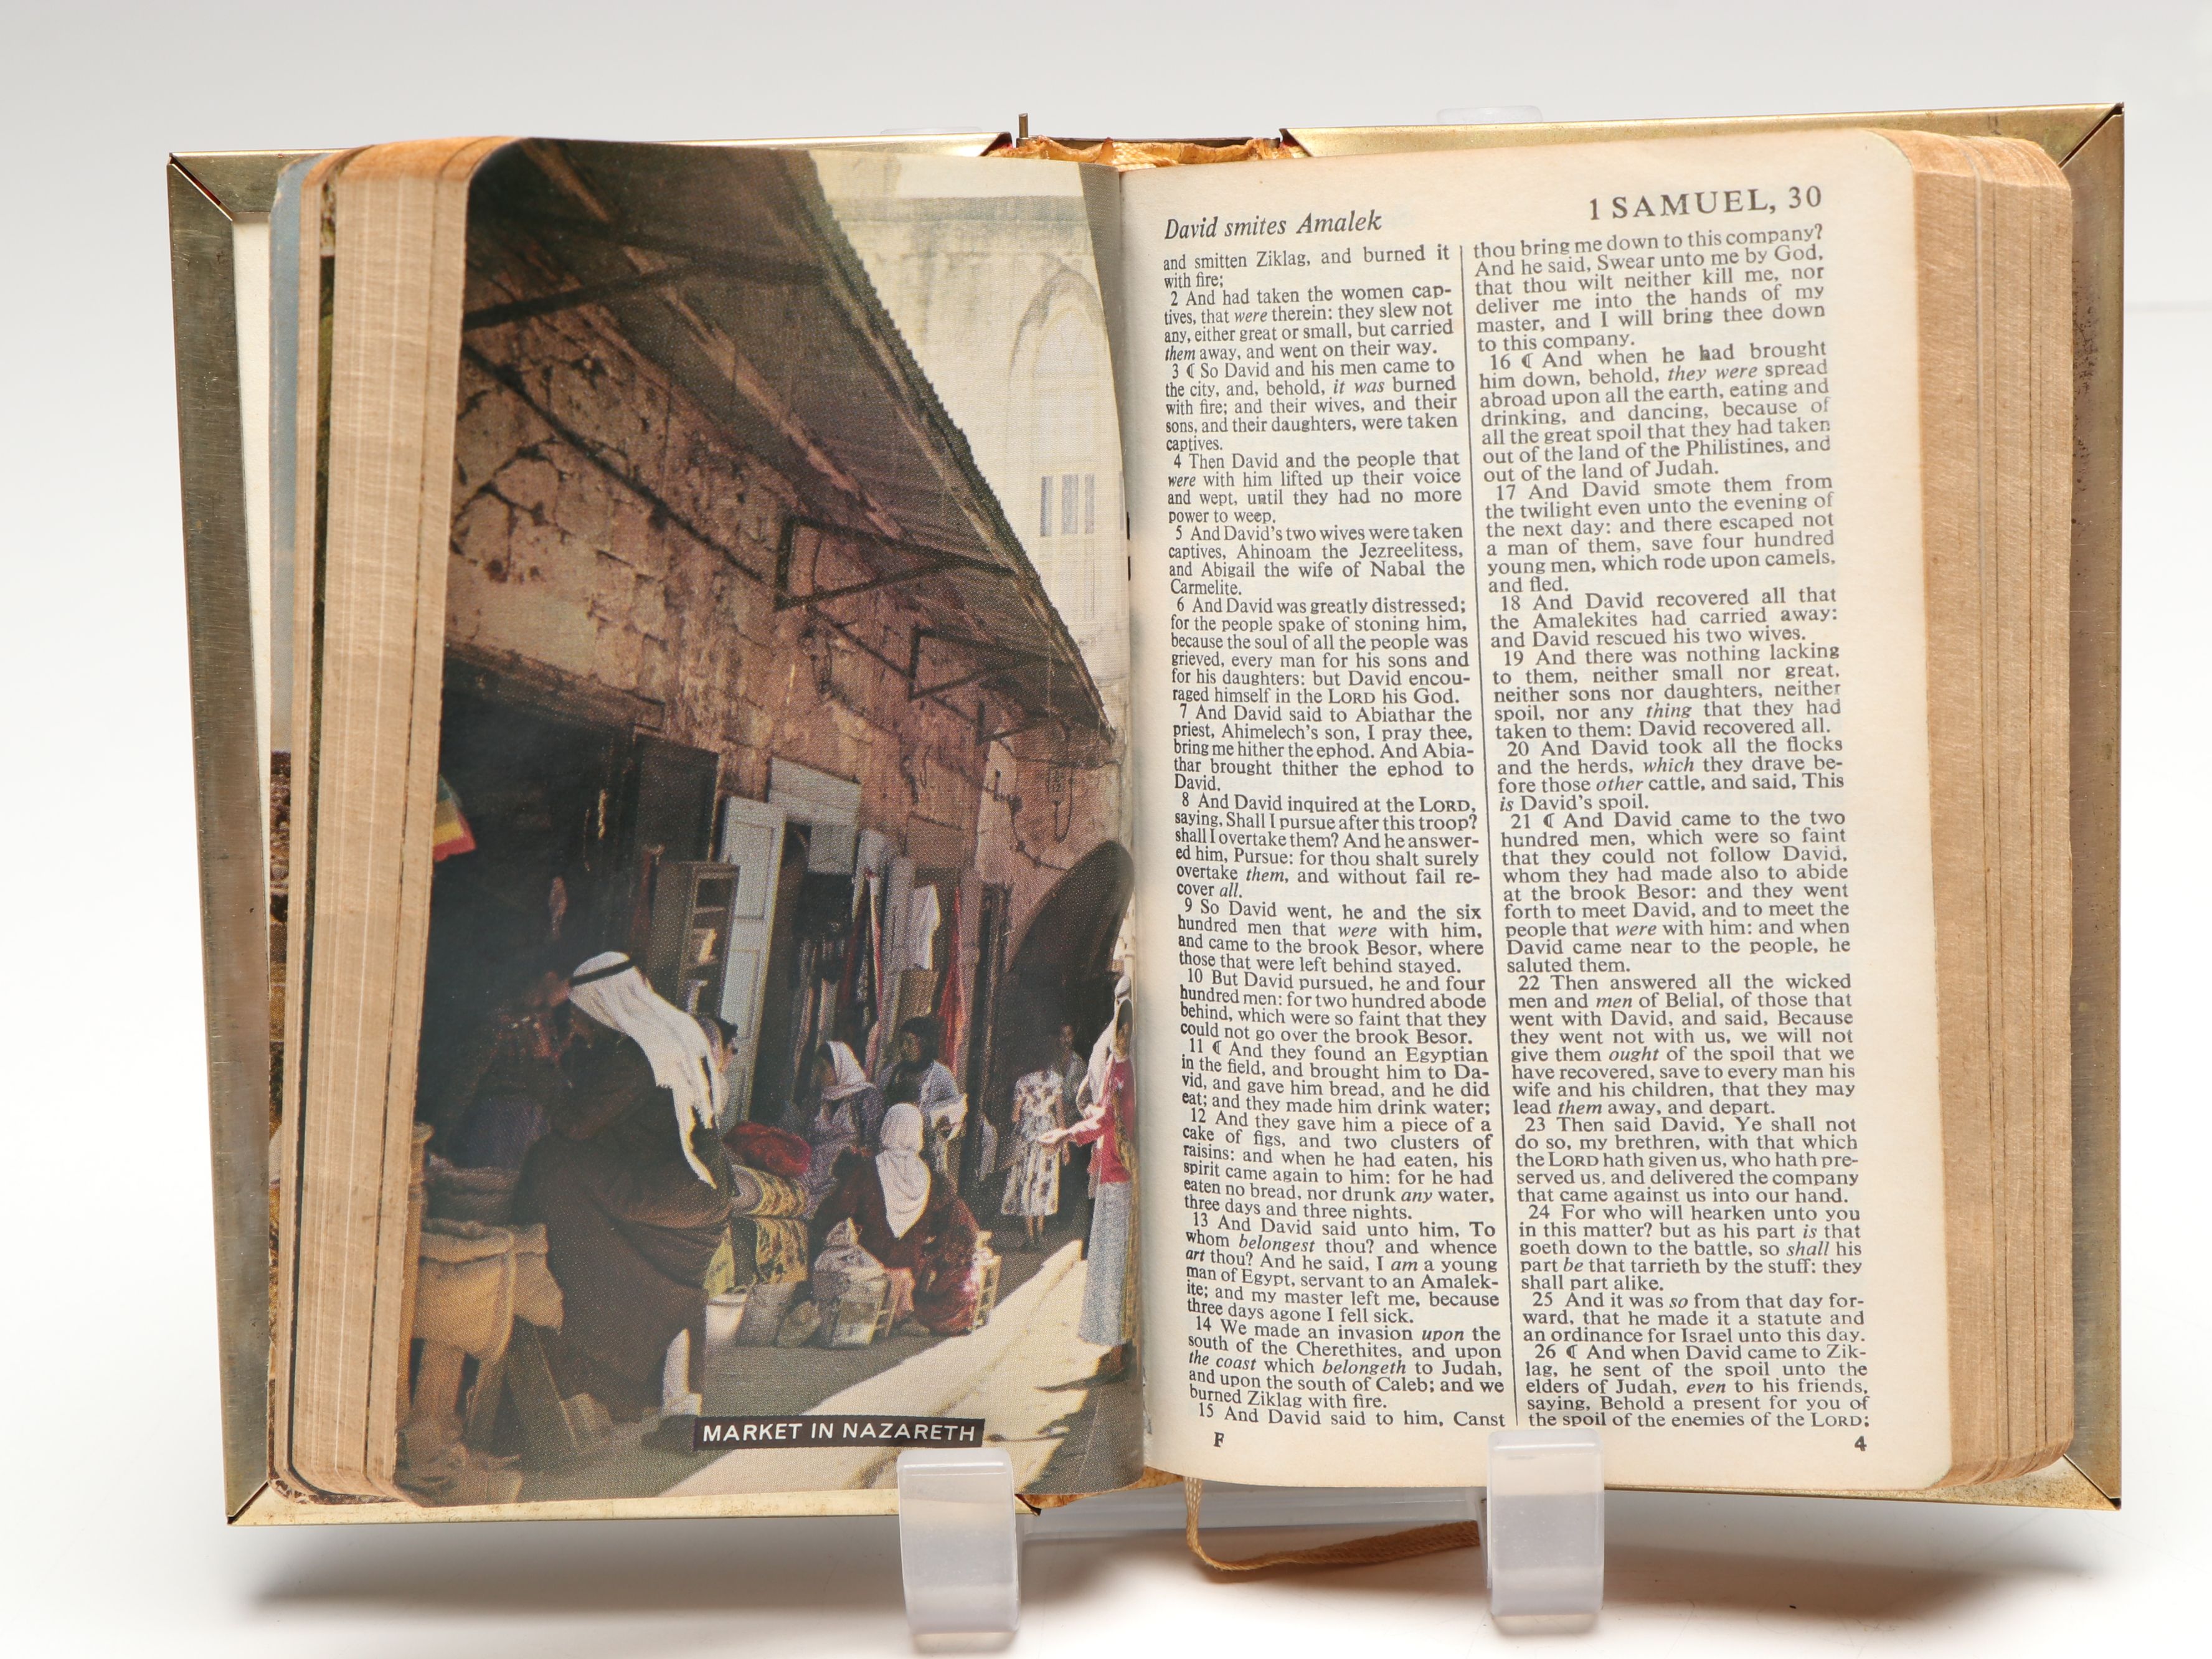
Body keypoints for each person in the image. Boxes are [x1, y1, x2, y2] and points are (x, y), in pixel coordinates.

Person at [514, 952, 734, 1422]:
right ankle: (682, 1409)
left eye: (581, 1013)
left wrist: (539, 1065)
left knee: (553, 1167)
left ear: (604, 1006)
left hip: (669, 1192)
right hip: (707, 1190)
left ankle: (568, 1327)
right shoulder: (683, 1030)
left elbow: (576, 1124)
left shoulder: (636, 1057)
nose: (578, 1023)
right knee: (671, 1292)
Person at [810, 1103, 981, 1335]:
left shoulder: (867, 1171)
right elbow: (961, 1228)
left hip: (866, 1267)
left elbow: (831, 1213)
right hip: (911, 1271)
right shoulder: (933, 1179)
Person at [1045, 1000, 1133, 1379]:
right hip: (1116, 1178)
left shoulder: (1142, 1065)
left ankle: (1122, 1347)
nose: (1124, 1035)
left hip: (1135, 1181)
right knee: (1111, 1266)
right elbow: (1103, 1115)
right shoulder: (1112, 1061)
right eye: (1121, 1025)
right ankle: (1115, 1347)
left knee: (1127, 1267)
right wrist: (1068, 1133)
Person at [430, 962, 569, 1170]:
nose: (569, 993)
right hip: (501, 1125)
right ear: (549, 977)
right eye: (566, 984)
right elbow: (465, 1080)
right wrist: (441, 1135)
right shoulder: (499, 1022)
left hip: (536, 1121)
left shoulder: (546, 1017)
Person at [788, 1041, 883, 1214]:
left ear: (840, 1069)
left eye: (823, 1069)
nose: (817, 1076)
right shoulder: (816, 1098)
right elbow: (804, 1136)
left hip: (844, 1172)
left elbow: (872, 1143)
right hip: (813, 1168)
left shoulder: (866, 1096)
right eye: (815, 1069)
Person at [998, 1042, 1067, 1249]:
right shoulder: (1056, 1080)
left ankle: (1029, 1236)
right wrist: (1065, 1145)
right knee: (1045, 1182)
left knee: (1027, 1183)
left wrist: (1022, 1118)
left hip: (1028, 1135)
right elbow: (1061, 1115)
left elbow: (1014, 1116)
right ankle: (1040, 1231)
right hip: (1049, 1134)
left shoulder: (1023, 1082)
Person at [879, 1015, 965, 1181]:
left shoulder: (941, 1076)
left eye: (910, 1043)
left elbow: (957, 1117)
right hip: (893, 1152)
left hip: (928, 1154)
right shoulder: (890, 1074)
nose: (903, 1049)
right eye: (901, 1043)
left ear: (924, 1044)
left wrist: (948, 1125)